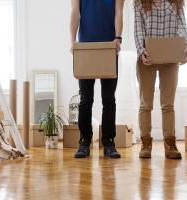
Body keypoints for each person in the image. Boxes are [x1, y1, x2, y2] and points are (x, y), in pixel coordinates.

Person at [134, 0, 187, 159]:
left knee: (168, 104)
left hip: (170, 59)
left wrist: (185, 48)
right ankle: (145, 143)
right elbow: (138, 29)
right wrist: (141, 50)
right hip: (147, 59)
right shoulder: (140, 3)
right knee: (146, 103)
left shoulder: (176, 3)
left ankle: (170, 144)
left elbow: (182, 26)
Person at [70, 0, 124, 158]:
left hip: (109, 47)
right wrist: (73, 39)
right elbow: (74, 12)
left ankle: (109, 141)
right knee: (86, 99)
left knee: (108, 99)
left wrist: (118, 37)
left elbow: (118, 12)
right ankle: (84, 141)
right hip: (86, 47)